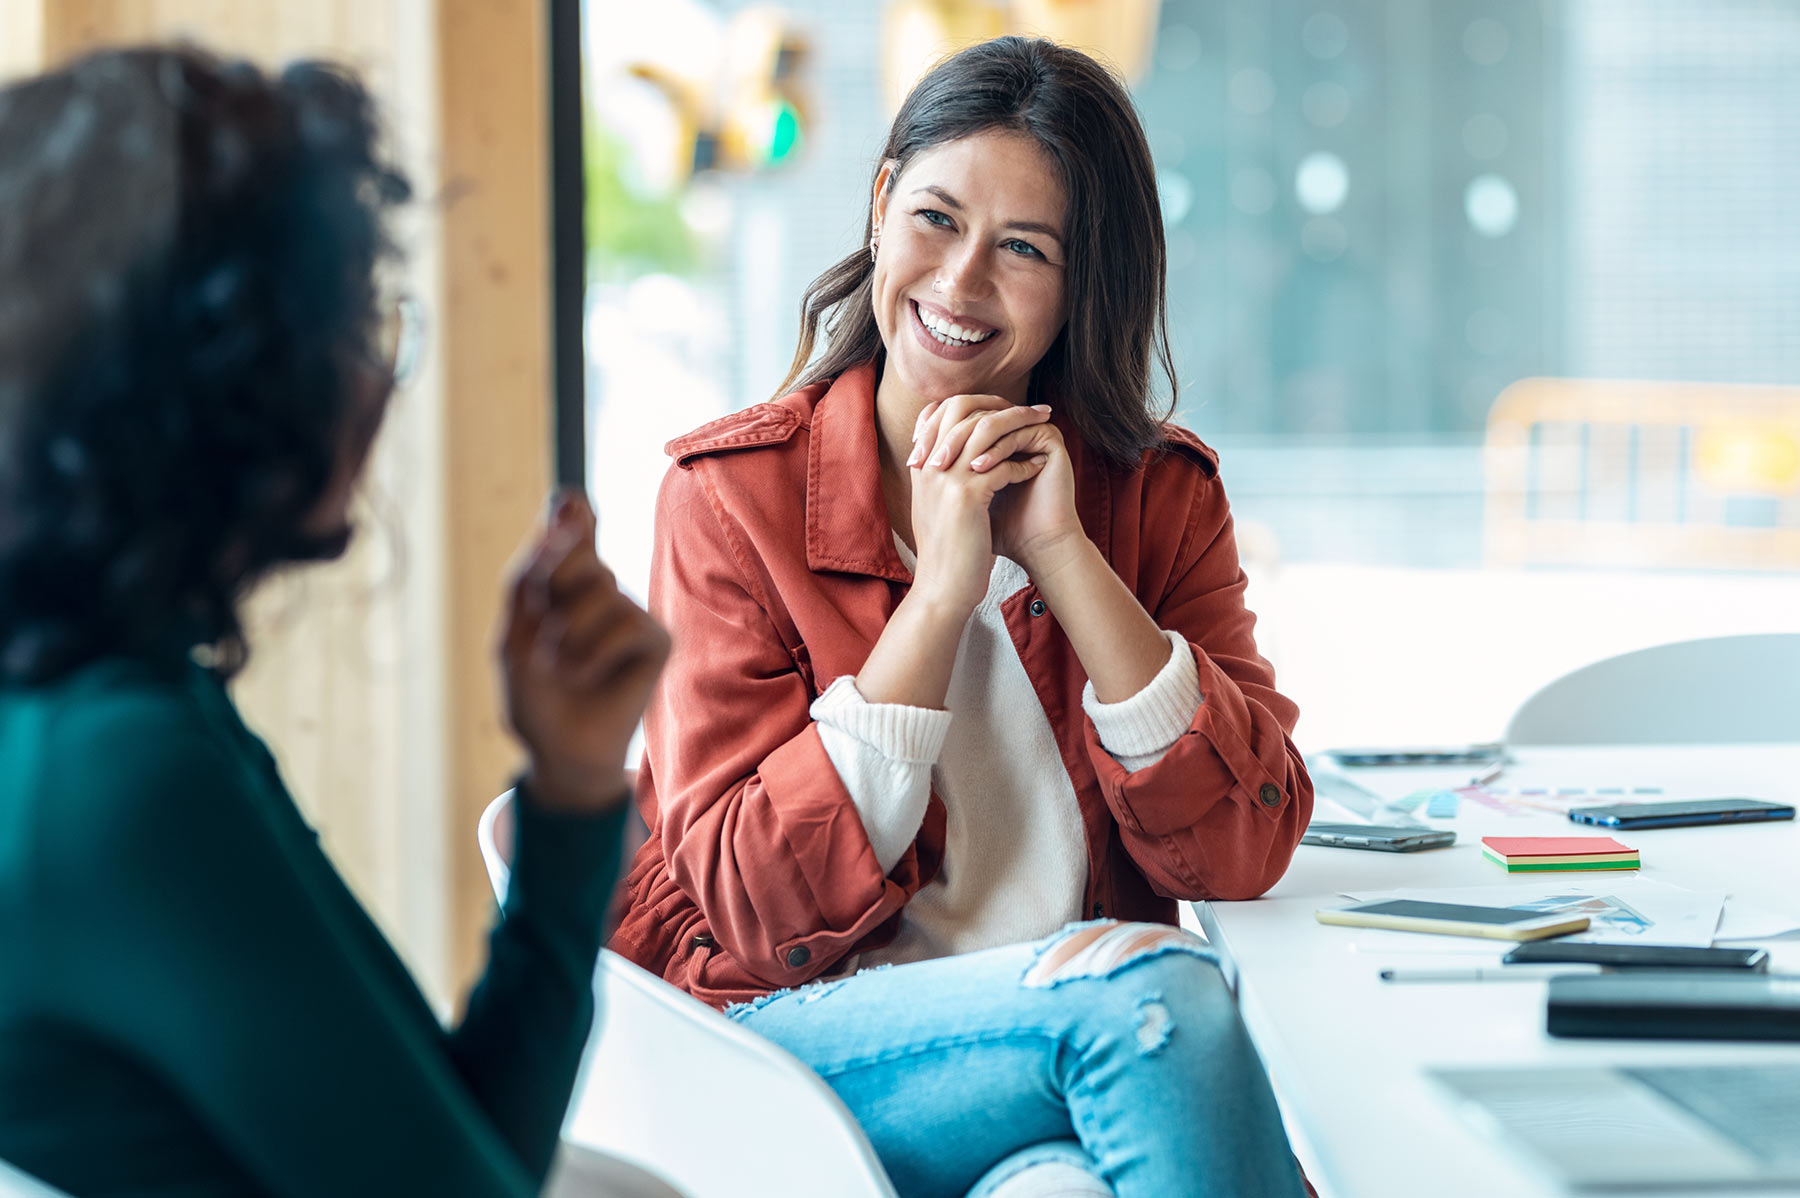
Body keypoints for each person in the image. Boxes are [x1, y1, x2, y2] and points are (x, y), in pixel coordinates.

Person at [612, 35, 1314, 1198]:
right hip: (797, 1046)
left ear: (1085, 283)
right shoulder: (731, 498)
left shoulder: (1159, 497)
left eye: (1024, 248)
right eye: (936, 217)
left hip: (1052, 1066)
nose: (961, 283)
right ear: (882, 204)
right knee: (1161, 1000)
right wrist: (940, 595)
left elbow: (1242, 850)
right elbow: (747, 907)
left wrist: (1061, 550)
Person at [0, 46, 669, 1196]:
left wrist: (572, 788)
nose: (377, 377)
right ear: (232, 378)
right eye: (358, 323)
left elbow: (460, 1146)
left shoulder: (103, 696)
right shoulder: (121, 774)